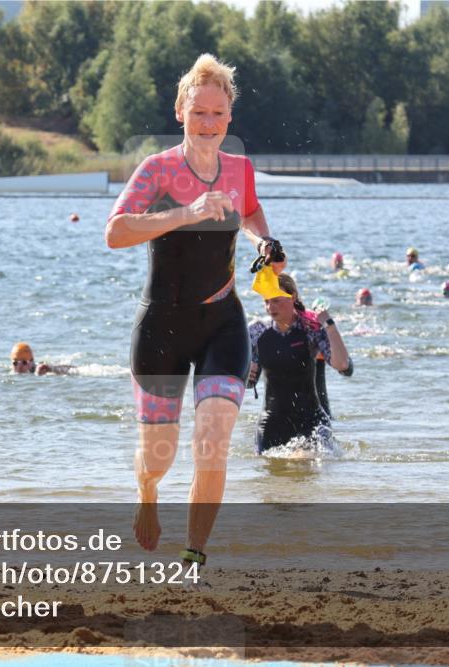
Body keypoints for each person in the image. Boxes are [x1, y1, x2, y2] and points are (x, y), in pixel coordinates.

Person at [105, 54, 284, 567]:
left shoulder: (240, 169)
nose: (209, 124)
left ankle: (193, 556)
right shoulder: (156, 170)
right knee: (157, 459)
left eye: (218, 114)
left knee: (213, 439)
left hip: (221, 322)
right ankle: (146, 494)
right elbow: (115, 233)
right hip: (162, 326)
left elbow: (249, 210)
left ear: (230, 117)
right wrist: (186, 213)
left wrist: (264, 238)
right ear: (180, 110)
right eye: (199, 113)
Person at [247, 274, 352, 454]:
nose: (270, 307)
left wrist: (329, 325)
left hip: (311, 419)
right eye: (266, 302)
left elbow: (344, 366)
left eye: (276, 301)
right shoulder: (257, 330)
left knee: (313, 469)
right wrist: (245, 372)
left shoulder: (310, 328)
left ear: (293, 297)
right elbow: (249, 383)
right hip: (272, 421)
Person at [10, 342, 74, 376]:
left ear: (31, 362)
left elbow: (72, 369)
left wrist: (50, 369)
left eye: (24, 362)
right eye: (15, 363)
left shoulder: (41, 368)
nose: (19, 367)